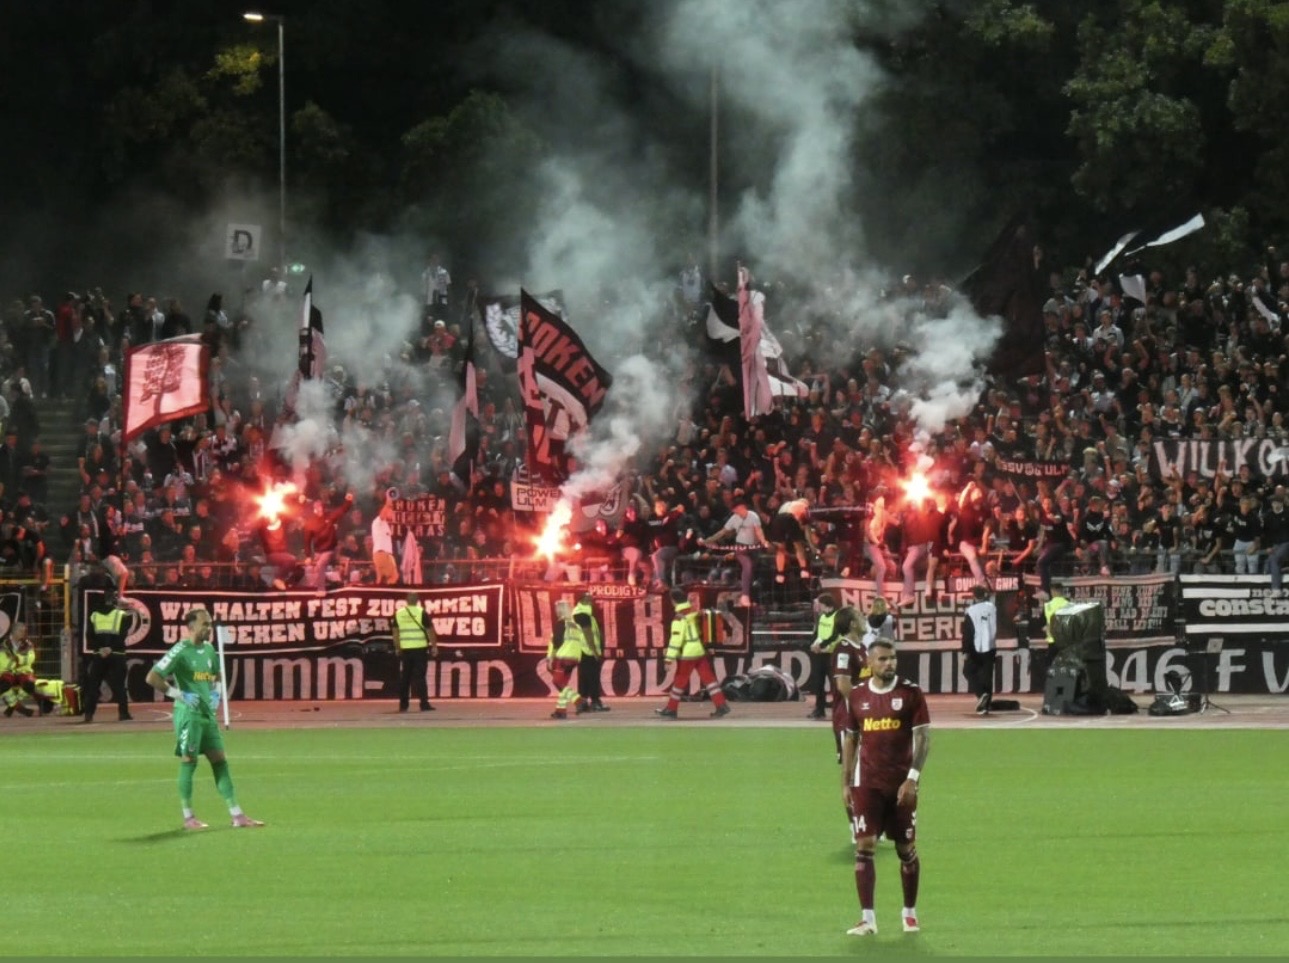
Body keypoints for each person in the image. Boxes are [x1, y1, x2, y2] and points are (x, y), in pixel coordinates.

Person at [840, 636, 930, 937]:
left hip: (901, 784)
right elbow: (851, 738)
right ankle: (867, 919)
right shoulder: (857, 695)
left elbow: (923, 739)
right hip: (867, 783)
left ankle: (909, 913)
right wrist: (845, 782)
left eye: (892, 658)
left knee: (905, 849)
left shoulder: (911, 693)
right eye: (883, 659)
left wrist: (912, 778)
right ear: (870, 662)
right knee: (864, 846)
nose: (889, 663)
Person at [144, 607, 264, 830]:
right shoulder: (180, 650)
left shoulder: (209, 649)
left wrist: (216, 693)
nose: (209, 628)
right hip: (189, 715)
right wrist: (179, 694)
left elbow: (217, 674)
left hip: (207, 715)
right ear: (191, 627)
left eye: (209, 624)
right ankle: (188, 818)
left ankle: (237, 815)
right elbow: (152, 677)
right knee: (189, 761)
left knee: (220, 760)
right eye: (205, 624)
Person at [655, 589, 732, 719]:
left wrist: (668, 659)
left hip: (688, 653)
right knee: (710, 680)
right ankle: (721, 705)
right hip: (699, 650)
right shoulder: (693, 611)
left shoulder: (679, 618)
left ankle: (671, 709)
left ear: (673, 601)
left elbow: (676, 640)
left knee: (680, 680)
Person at [698, 498, 769, 607]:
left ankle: (750, 598)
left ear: (742, 507)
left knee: (751, 573)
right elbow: (722, 532)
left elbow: (759, 531)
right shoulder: (734, 518)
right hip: (741, 547)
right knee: (747, 566)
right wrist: (708, 540)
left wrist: (763, 541)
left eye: (736, 509)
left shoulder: (753, 516)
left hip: (754, 548)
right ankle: (745, 596)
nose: (735, 511)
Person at [83, 589, 138, 723]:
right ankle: (123, 713)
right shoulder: (121, 615)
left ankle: (89, 714)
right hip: (117, 654)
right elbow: (122, 635)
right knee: (119, 685)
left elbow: (89, 636)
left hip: (99, 655)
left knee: (94, 686)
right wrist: (111, 648)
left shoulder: (94, 615)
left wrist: (100, 648)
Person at [546, 599, 591, 719]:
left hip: (563, 656)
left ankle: (579, 701)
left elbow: (556, 642)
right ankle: (560, 711)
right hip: (574, 657)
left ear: (559, 610)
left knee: (557, 682)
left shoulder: (561, 623)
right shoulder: (576, 625)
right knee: (563, 684)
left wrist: (550, 658)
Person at [393, 591, 438, 712]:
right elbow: (430, 630)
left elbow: (395, 633)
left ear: (406, 600)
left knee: (405, 677)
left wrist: (397, 647)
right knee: (420, 677)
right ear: (417, 600)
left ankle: (403, 705)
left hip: (405, 649)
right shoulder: (421, 612)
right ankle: (424, 704)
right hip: (420, 649)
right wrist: (434, 646)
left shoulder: (399, 613)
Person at [1, 622, 55, 717]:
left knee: (29, 684)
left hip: (24, 671)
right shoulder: (4, 645)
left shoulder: (28, 644)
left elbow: (31, 658)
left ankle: (12, 707)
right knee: (3, 685)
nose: (23, 633)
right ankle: (22, 709)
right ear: (14, 632)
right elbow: (2, 662)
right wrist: (16, 663)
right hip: (7, 672)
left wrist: (18, 659)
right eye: (21, 631)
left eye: (24, 631)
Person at [960, 585, 998, 714]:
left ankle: (981, 694)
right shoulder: (992, 608)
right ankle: (986, 706)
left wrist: (965, 650)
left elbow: (968, 632)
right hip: (991, 646)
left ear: (974, 596)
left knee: (968, 671)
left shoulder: (971, 611)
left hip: (976, 647)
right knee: (987, 676)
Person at [573, 594, 609, 713]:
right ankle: (595, 701)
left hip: (583, 650)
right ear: (582, 600)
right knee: (593, 676)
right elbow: (587, 633)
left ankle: (583, 702)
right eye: (589, 600)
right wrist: (594, 651)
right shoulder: (582, 614)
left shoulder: (582, 613)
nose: (592, 603)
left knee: (584, 676)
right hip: (587, 650)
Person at [806, 592, 839, 719]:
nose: (818, 606)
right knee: (818, 683)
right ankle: (819, 710)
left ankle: (838, 710)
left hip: (832, 654)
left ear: (825, 604)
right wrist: (813, 644)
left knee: (835, 684)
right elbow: (818, 634)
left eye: (820, 604)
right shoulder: (822, 617)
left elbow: (835, 635)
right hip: (821, 654)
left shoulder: (837, 616)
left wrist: (821, 645)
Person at [1037, 581, 1073, 691]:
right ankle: (1066, 689)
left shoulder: (1048, 606)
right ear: (1062, 591)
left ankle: (1054, 689)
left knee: (1052, 667)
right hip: (1067, 641)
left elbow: (1041, 623)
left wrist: (1046, 627)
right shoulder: (1069, 604)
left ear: (1053, 591)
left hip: (1053, 641)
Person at [371, 500, 398, 586]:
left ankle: (376, 593)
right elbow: (382, 515)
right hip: (382, 554)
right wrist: (387, 504)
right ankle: (388, 593)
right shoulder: (378, 522)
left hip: (382, 555)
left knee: (380, 580)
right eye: (390, 510)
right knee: (394, 576)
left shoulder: (384, 524)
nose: (392, 512)